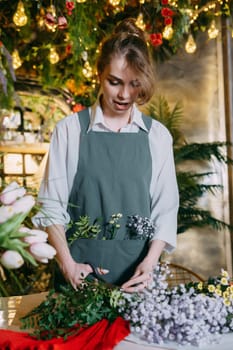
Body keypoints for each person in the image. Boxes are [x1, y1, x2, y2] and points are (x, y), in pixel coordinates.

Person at [32, 18, 179, 293]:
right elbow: (51, 204)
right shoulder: (69, 131)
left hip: (137, 283)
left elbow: (166, 209)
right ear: (100, 73)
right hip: (78, 281)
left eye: (134, 84)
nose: (125, 94)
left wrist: (150, 262)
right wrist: (67, 265)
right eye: (115, 82)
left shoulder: (157, 137)